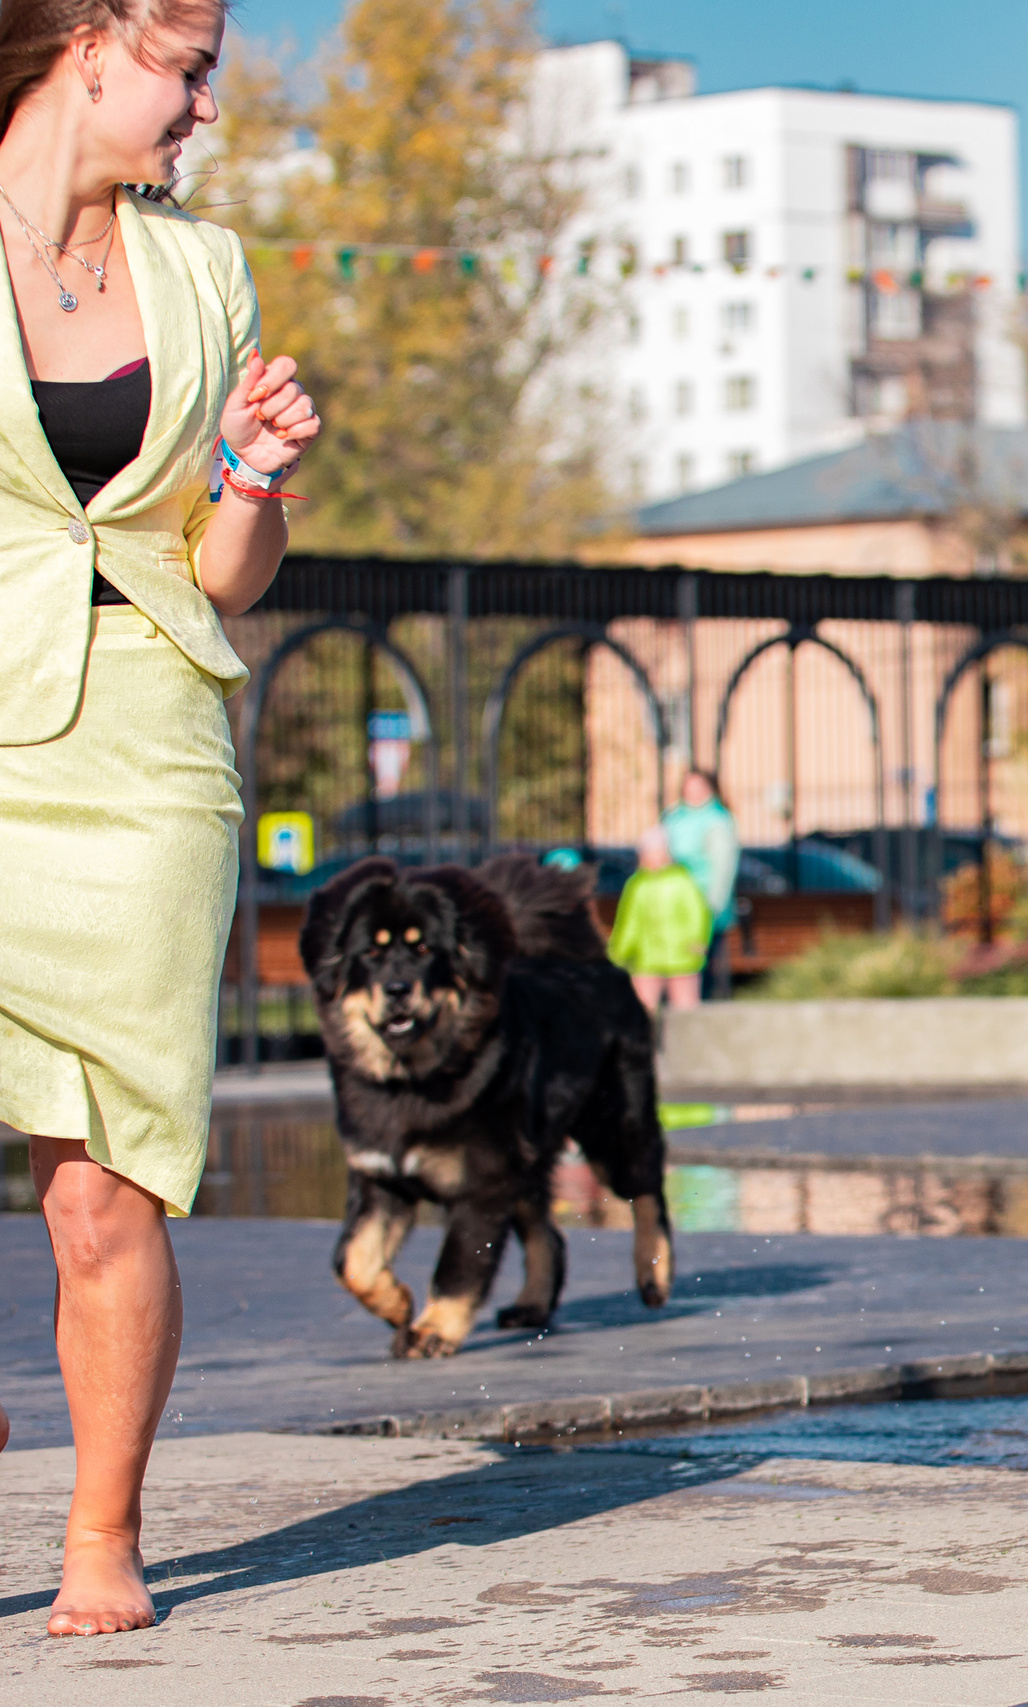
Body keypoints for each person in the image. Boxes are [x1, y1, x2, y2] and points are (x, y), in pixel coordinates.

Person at [0, 0, 320, 1639]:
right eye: (187, 69)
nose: (201, 106)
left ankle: (100, 1531)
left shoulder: (205, 271)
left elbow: (221, 576)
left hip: (139, 759)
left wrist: (254, 476)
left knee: (98, 1189)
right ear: (90, 44)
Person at [609, 825, 715, 1018]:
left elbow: (697, 915)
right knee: (641, 1010)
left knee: (685, 1010)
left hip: (682, 956)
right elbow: (629, 924)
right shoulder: (636, 884)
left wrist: (697, 941)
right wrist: (618, 954)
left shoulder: (683, 881)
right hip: (646, 959)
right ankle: (645, 1045)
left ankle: (688, 1044)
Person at [660, 769, 739, 996]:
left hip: (703, 901)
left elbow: (723, 866)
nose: (691, 792)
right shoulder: (674, 816)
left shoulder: (717, 820)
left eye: (697, 786)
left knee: (702, 962)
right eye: (688, 786)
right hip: (673, 902)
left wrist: (714, 904)